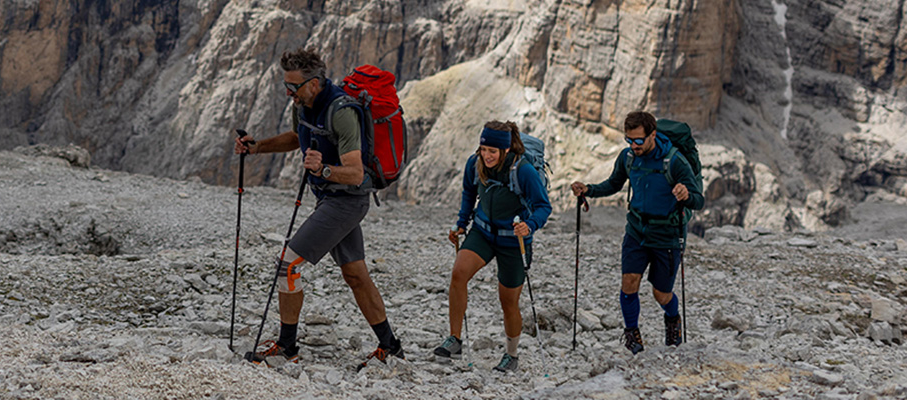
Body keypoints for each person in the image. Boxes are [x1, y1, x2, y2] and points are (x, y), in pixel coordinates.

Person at [233, 48, 403, 368]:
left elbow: (355, 172)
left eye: (293, 86)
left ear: (313, 83)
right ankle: (390, 346)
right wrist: (258, 148)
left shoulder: (341, 112)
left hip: (347, 200)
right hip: (329, 198)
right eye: (286, 85)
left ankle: (287, 346)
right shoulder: (305, 104)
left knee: (287, 266)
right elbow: (298, 137)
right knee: (355, 274)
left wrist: (323, 170)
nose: (288, 92)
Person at [570, 111, 704, 354]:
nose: (634, 145)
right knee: (629, 283)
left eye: (638, 140)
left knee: (661, 294)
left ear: (653, 135)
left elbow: (698, 200)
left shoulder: (675, 161)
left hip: (668, 234)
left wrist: (686, 194)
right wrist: (588, 189)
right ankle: (632, 336)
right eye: (629, 140)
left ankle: (673, 319)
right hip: (636, 230)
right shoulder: (628, 157)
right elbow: (614, 184)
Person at [432, 121, 552, 372]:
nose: (486, 155)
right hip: (483, 232)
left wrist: (530, 225)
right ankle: (455, 339)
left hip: (513, 240)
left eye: (492, 151)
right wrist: (461, 224)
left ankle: (512, 355)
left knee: (508, 301)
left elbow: (543, 206)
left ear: (505, 150)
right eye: (483, 148)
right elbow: (469, 192)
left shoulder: (524, 171)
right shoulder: (474, 164)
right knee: (458, 273)